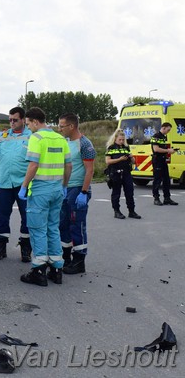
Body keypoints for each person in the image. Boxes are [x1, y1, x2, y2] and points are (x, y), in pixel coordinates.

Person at [18, 107, 71, 286]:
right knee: (53, 227)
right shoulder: (60, 137)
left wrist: (24, 186)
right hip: (57, 190)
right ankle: (56, 269)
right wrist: (64, 185)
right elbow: (68, 165)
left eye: (28, 124)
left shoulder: (36, 138)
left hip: (40, 190)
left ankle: (38, 270)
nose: (28, 128)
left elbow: (33, 165)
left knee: (37, 229)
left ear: (35, 121)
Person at [0, 107, 32, 262]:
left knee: (27, 217)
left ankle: (25, 248)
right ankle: (0, 247)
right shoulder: (1, 136)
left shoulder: (32, 136)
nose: (12, 122)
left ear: (23, 120)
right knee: (2, 217)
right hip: (4, 183)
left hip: (23, 183)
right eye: (10, 119)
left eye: (15, 120)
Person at [58, 113, 96, 275]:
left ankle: (79, 261)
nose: (59, 129)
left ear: (71, 126)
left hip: (78, 189)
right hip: (65, 188)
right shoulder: (65, 142)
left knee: (77, 225)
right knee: (63, 224)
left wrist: (84, 192)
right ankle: (66, 257)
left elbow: (90, 170)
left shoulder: (85, 144)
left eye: (62, 126)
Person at [105, 130, 141, 219]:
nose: (121, 141)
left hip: (126, 172)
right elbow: (108, 161)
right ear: (115, 139)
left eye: (123, 139)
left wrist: (131, 157)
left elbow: (133, 162)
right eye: (120, 139)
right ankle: (116, 211)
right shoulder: (111, 148)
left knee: (129, 192)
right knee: (116, 193)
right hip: (115, 173)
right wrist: (119, 159)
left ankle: (131, 211)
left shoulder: (126, 147)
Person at [151, 122, 179, 206]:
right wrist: (168, 151)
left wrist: (171, 150)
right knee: (157, 180)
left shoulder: (163, 137)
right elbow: (156, 149)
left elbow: (162, 148)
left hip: (163, 160)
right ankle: (156, 198)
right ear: (163, 127)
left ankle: (167, 198)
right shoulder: (155, 136)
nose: (168, 131)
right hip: (157, 160)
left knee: (166, 180)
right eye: (168, 130)